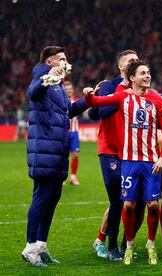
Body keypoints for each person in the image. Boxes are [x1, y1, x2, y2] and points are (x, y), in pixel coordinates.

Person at [84, 60, 162, 265]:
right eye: (143, 73)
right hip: (129, 162)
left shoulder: (157, 100)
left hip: (152, 162)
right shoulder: (123, 96)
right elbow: (97, 103)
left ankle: (151, 244)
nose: (148, 76)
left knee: (152, 205)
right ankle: (129, 245)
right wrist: (88, 95)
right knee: (129, 205)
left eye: (149, 72)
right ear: (132, 78)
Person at [22, 46, 88, 267]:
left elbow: (68, 111)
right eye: (62, 59)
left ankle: (41, 246)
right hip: (44, 151)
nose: (66, 62)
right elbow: (34, 93)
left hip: (58, 151)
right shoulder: (41, 77)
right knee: (42, 197)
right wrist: (46, 79)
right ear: (50, 62)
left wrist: (88, 99)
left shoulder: (59, 85)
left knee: (52, 199)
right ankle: (30, 248)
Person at [88, 50, 140, 260]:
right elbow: (99, 113)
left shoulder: (142, 88)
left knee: (135, 201)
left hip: (133, 152)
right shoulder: (111, 85)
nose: (134, 62)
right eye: (129, 60)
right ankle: (110, 247)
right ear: (120, 67)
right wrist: (122, 96)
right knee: (118, 200)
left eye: (136, 59)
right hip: (110, 150)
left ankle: (123, 246)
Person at [64, 80, 81, 186]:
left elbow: (84, 112)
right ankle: (62, 178)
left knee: (75, 155)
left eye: (70, 89)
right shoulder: (61, 102)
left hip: (74, 133)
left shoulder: (76, 101)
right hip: (63, 133)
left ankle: (73, 177)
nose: (69, 91)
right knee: (62, 157)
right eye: (67, 90)